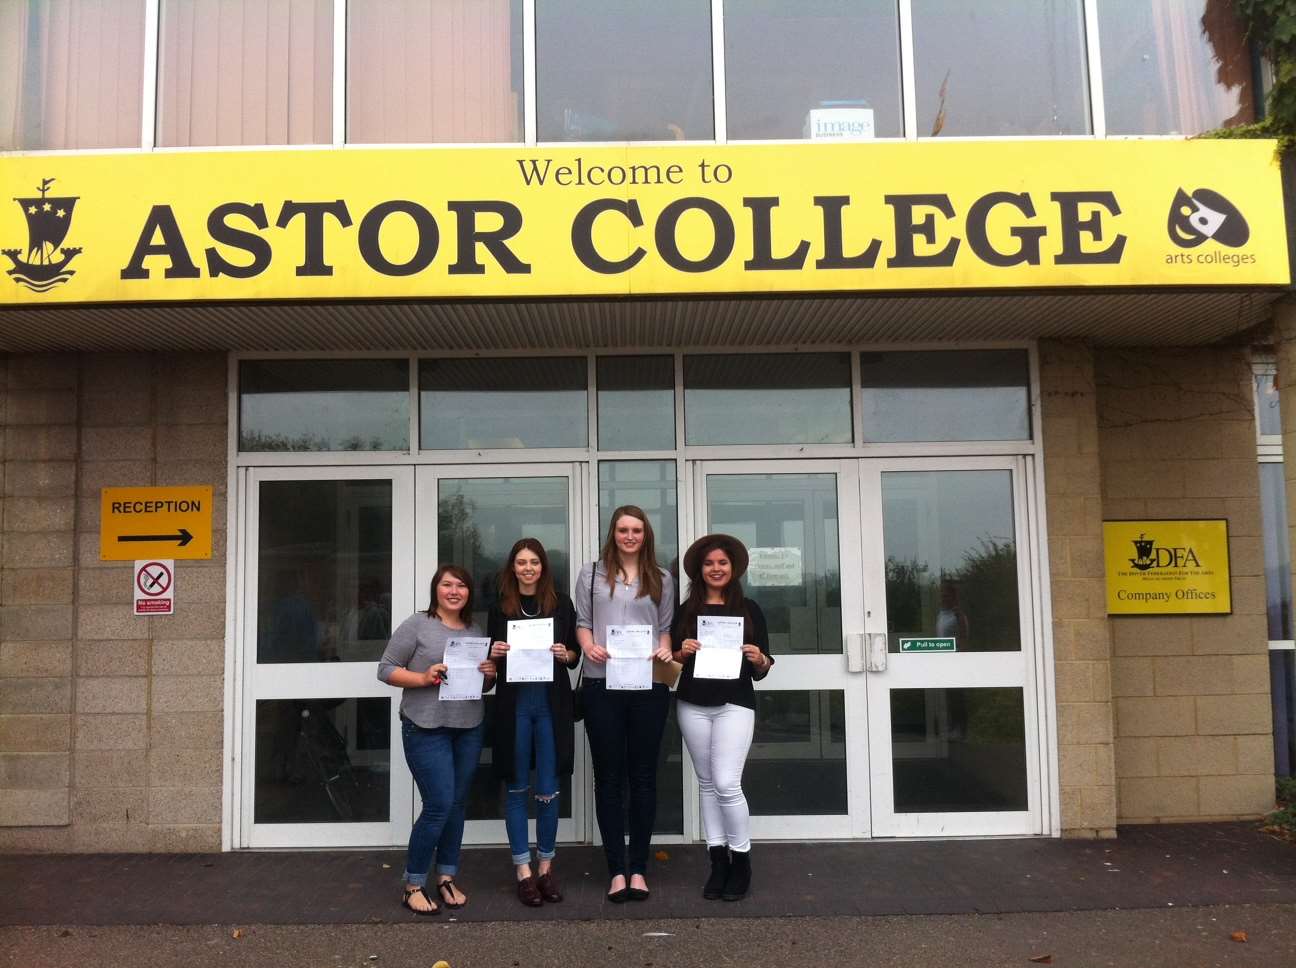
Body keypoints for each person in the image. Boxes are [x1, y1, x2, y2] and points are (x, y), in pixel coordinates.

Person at [377, 565, 496, 916]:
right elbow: (385, 669)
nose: (454, 591)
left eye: (461, 585)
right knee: (439, 804)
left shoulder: (475, 629)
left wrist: (489, 675)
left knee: (457, 804)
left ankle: (446, 877)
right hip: (426, 727)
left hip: (468, 726)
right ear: (436, 590)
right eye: (447, 585)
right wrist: (423, 677)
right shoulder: (417, 624)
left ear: (469, 592)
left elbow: (481, 686)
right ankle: (413, 884)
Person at [575, 505, 675, 903]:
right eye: (622, 530)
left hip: (649, 685)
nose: (629, 536)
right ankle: (616, 869)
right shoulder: (592, 573)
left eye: (636, 530)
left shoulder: (662, 577)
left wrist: (665, 653)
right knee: (610, 779)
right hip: (603, 684)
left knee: (645, 778)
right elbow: (583, 622)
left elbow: (664, 630)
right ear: (613, 533)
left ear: (646, 534)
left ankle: (639, 869)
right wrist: (589, 647)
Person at [672, 534, 773, 902]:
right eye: (709, 563)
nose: (716, 569)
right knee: (707, 784)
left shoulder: (750, 610)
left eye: (722, 563)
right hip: (692, 704)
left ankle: (741, 860)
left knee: (728, 784)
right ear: (700, 570)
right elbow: (668, 666)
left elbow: (765, 665)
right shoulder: (685, 612)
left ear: (733, 569)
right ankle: (717, 862)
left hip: (735, 703)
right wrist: (680, 653)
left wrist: (759, 658)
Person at [486, 538, 581, 907]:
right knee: (516, 786)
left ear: (543, 567)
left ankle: (546, 868)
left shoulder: (561, 605)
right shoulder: (499, 607)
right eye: (521, 562)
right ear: (512, 567)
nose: (528, 568)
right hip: (514, 705)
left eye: (534, 562)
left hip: (550, 704)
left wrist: (565, 652)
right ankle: (522, 871)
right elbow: (489, 657)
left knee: (547, 785)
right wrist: (493, 651)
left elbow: (574, 653)